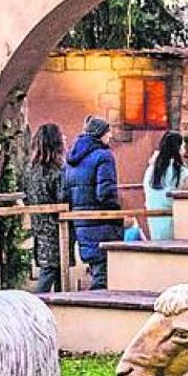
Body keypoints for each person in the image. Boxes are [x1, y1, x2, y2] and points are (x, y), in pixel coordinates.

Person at [62, 115, 122, 290]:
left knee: (96, 269)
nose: (110, 136)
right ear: (100, 134)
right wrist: (117, 214)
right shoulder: (103, 156)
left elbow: (65, 193)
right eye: (108, 132)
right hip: (102, 222)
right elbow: (105, 193)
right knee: (103, 275)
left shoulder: (71, 160)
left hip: (81, 222)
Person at [22, 123, 65, 293]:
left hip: (38, 227)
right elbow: (62, 197)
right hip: (56, 228)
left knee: (51, 270)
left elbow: (26, 197)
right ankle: (35, 306)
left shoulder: (30, 171)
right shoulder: (57, 172)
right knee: (51, 273)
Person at [143, 131, 185, 240]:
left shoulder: (150, 171)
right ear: (178, 149)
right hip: (174, 224)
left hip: (154, 223)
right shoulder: (180, 172)